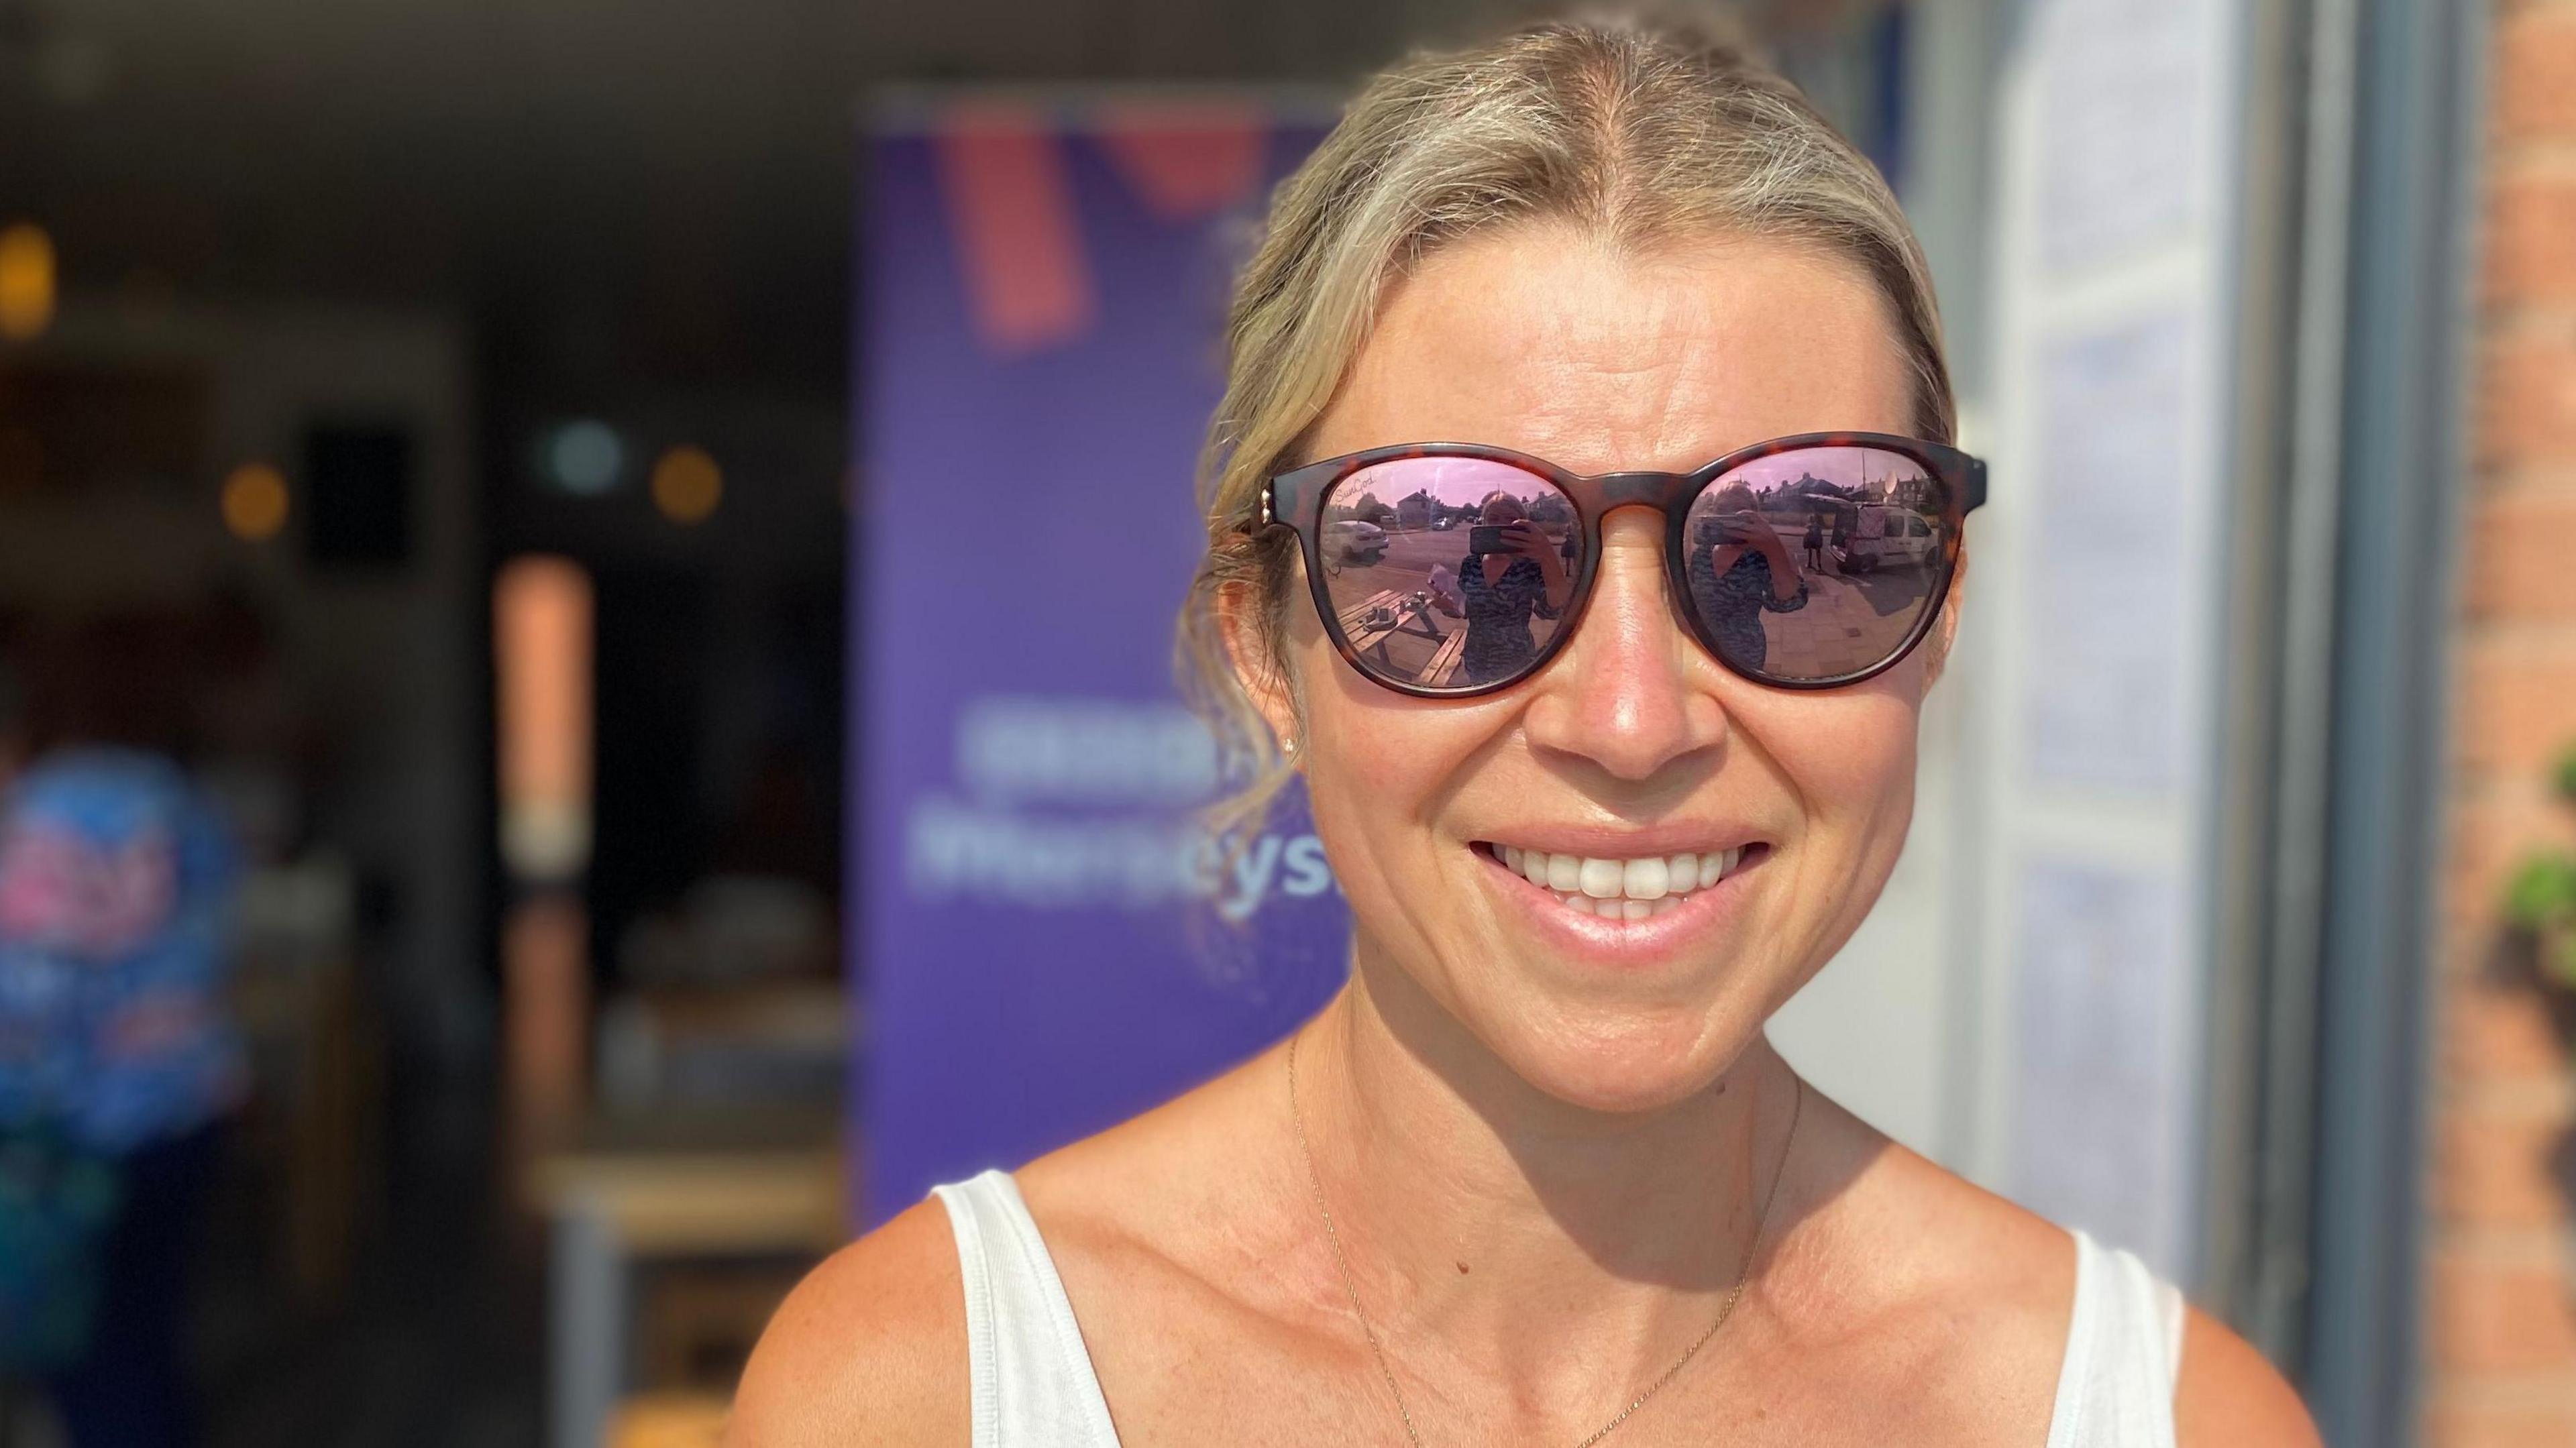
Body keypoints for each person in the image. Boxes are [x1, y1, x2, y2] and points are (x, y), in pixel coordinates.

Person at [733, 21, 2318, 1447]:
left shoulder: (2157, 1415)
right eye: (1455, 564)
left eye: (1801, 550)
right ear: (1263, 643)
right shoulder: (919, 1394)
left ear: (1941, 602)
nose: (1631, 720)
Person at [0, 639, 243, 1448]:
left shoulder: (40, 817)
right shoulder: (169, 794)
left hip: (82, 1135)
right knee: (148, 1333)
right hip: (189, 1102)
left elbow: (34, 1001)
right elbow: (225, 917)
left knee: (89, 1352)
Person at [1456, 492, 1570, 685]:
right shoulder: (1471, 564)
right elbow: (1463, 606)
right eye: (1494, 519)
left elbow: (1553, 610)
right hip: (1476, 654)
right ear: (1483, 522)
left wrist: (1547, 554)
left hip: (1516, 659)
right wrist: (1446, 605)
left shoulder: (1530, 565)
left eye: (1511, 520)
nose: (1501, 525)